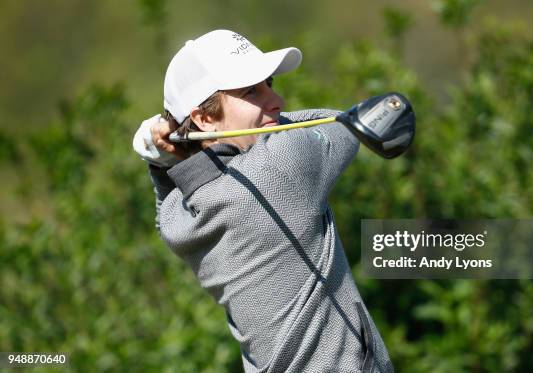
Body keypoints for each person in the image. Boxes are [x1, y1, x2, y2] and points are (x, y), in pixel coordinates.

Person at [133, 29, 394, 372]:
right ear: (204, 118)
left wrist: (161, 151)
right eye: (251, 91)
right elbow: (342, 122)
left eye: (269, 84)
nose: (277, 101)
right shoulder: (282, 166)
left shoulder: (177, 218)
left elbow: (171, 183)